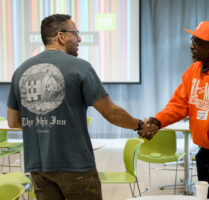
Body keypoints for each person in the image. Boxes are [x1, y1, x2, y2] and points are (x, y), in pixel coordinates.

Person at [7, 14, 155, 200]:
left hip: (38, 166)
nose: (79, 39)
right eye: (75, 33)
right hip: (75, 166)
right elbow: (110, 112)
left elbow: (13, 121)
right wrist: (140, 125)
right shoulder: (80, 67)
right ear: (61, 36)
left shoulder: (20, 71)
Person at [140, 21, 209, 200]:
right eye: (192, 40)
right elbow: (178, 105)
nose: (192, 46)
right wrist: (158, 121)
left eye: (198, 43)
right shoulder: (193, 71)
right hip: (205, 152)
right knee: (203, 198)